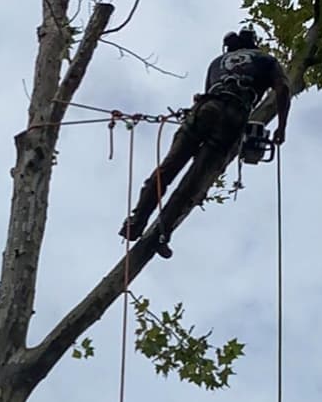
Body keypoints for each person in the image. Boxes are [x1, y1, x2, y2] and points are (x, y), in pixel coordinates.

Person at [119, 28, 291, 258]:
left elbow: (206, 92)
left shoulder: (217, 62)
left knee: (168, 167)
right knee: (193, 181)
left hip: (205, 109)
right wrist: (281, 127)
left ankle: (136, 221)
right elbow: (283, 88)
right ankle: (161, 233)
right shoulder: (265, 59)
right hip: (234, 116)